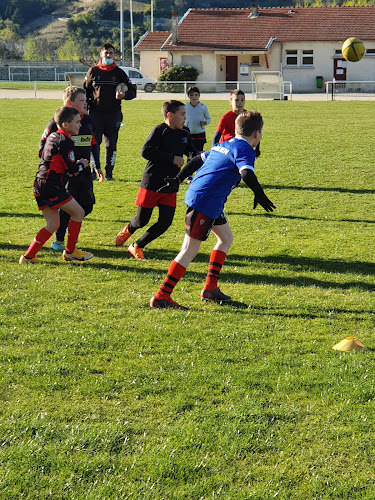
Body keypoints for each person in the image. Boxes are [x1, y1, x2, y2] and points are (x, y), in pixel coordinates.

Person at [150, 110, 275, 310]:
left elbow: (198, 159)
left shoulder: (226, 144)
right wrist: (260, 194)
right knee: (189, 250)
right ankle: (162, 296)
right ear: (257, 134)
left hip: (208, 200)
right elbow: (246, 174)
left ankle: (210, 288)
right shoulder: (245, 150)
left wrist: (177, 180)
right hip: (204, 202)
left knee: (226, 238)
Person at [114, 100, 198, 260]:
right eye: (182, 114)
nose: (185, 118)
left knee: (165, 222)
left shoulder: (184, 133)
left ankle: (137, 245)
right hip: (152, 182)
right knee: (141, 220)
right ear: (169, 115)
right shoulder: (160, 131)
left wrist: (199, 157)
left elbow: (190, 151)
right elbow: (146, 151)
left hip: (171, 184)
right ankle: (127, 231)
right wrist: (171, 158)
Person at [20, 107, 94, 264]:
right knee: (78, 212)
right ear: (66, 125)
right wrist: (82, 164)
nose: (80, 125)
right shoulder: (65, 141)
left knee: (53, 224)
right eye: (77, 122)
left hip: (39, 184)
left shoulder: (53, 136)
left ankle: (28, 257)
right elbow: (72, 170)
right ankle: (70, 252)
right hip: (51, 185)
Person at [39, 86, 103, 251]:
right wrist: (56, 165)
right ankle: (60, 240)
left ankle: (70, 227)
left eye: (85, 100)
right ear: (69, 103)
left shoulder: (88, 121)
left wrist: (97, 166)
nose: (85, 103)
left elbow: (93, 144)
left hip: (85, 171)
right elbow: (42, 146)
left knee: (87, 205)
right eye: (81, 100)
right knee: (69, 206)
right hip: (67, 174)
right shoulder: (57, 122)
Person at [84, 42, 136, 181]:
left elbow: (133, 91)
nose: (108, 55)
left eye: (111, 53)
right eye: (106, 53)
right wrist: (84, 109)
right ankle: (94, 171)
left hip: (114, 114)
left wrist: (124, 95)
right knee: (94, 142)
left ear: (114, 55)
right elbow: (86, 92)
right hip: (96, 114)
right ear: (101, 54)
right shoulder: (93, 71)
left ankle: (109, 174)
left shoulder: (119, 73)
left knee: (111, 144)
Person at [213, 89, 260, 158]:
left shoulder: (248, 117)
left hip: (242, 148)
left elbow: (256, 133)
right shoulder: (225, 118)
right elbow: (217, 136)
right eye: (236, 100)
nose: (240, 103)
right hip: (227, 150)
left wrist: (257, 150)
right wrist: (214, 151)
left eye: (242, 100)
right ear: (230, 102)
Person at [185, 86, 211, 152]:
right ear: (188, 96)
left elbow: (208, 118)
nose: (194, 97)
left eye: (196, 95)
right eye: (191, 95)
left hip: (200, 133)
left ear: (199, 96)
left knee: (199, 152)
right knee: (190, 152)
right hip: (189, 132)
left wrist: (206, 122)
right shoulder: (185, 106)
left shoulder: (203, 107)